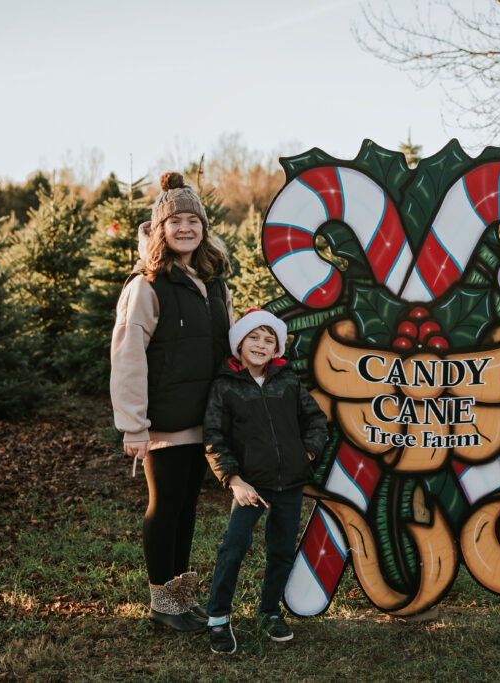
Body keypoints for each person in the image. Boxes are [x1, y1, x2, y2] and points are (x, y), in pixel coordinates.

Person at [110, 172, 233, 632]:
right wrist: (133, 425)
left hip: (205, 417)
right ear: (159, 229)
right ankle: (162, 603)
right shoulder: (147, 285)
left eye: (193, 220)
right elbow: (127, 356)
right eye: (175, 221)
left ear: (203, 227)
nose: (185, 228)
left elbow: (227, 343)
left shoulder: (213, 282)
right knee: (164, 508)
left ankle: (179, 599)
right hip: (163, 423)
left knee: (186, 509)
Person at [202, 309, 328, 655]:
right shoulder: (224, 385)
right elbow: (214, 437)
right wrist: (234, 479)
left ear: (277, 348)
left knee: (282, 548)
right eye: (254, 337)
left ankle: (270, 611)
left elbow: (316, 420)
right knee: (234, 546)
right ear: (240, 343)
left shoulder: (288, 380)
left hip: (290, 483)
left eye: (269, 339)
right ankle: (218, 618)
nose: (261, 344)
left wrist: (307, 454)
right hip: (251, 484)